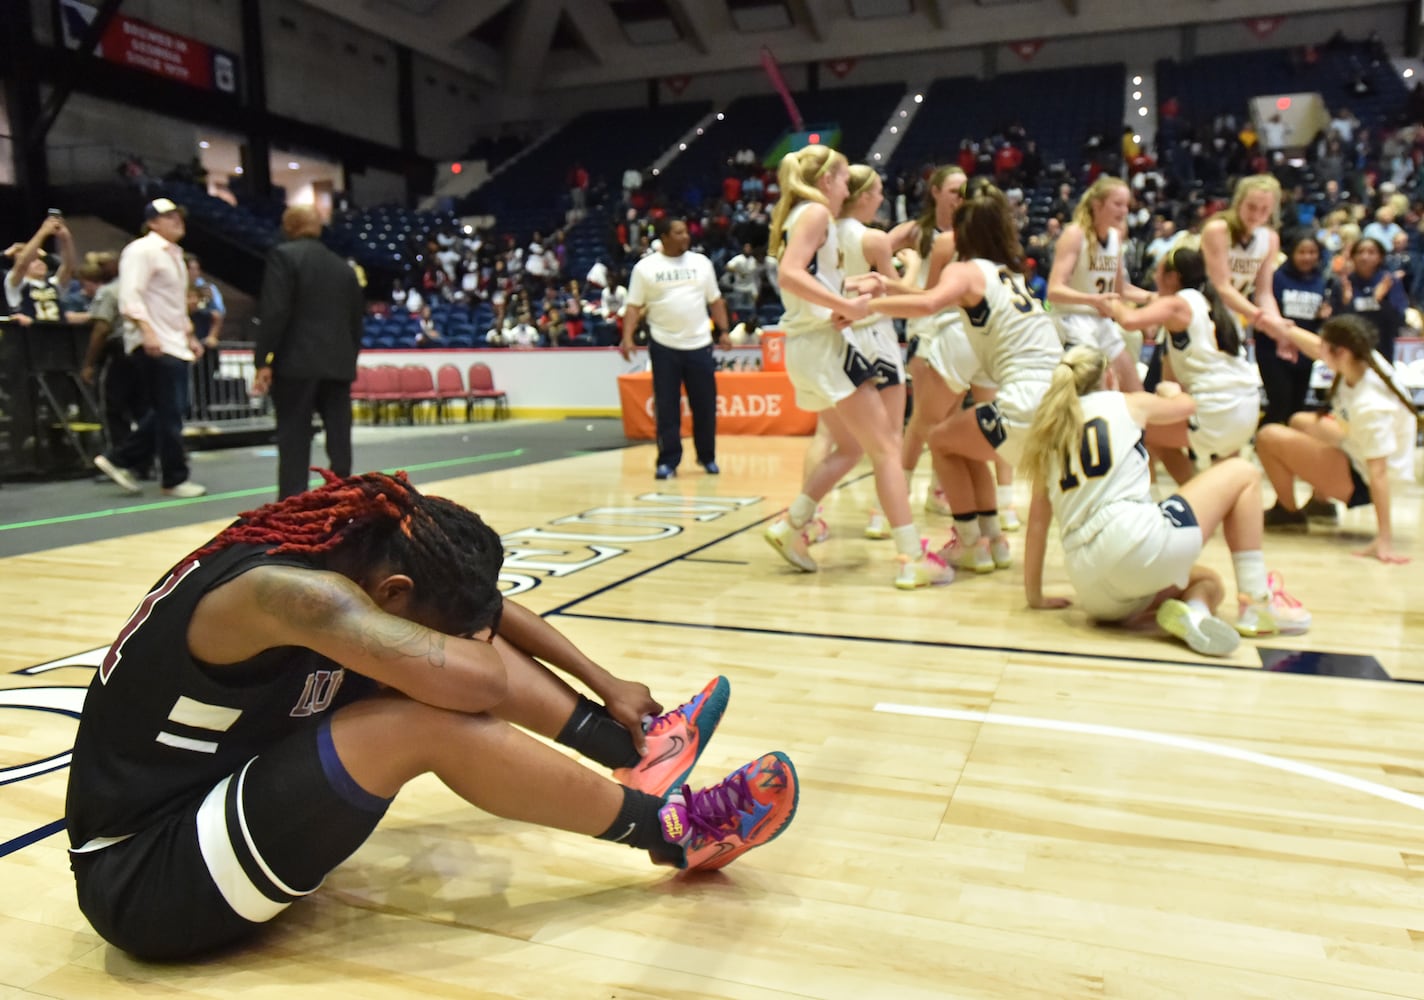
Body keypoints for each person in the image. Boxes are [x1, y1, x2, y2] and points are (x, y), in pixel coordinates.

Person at [65, 470, 800, 961]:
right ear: (390, 592)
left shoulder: (359, 545)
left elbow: (479, 605)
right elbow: (473, 678)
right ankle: (677, 832)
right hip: (147, 875)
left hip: (223, 796)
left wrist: (603, 681)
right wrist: (466, 641)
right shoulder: (297, 597)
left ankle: (628, 747)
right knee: (428, 712)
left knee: (438, 658)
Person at [1020, 346, 1311, 657]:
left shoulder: (1049, 434)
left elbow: (1037, 525)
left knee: (1208, 581)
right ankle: (1257, 601)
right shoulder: (1127, 402)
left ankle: (1195, 615)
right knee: (1243, 472)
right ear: (1108, 377)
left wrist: (1035, 595)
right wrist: (1170, 389)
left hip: (1092, 589)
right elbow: (1187, 406)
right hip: (1133, 541)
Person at [761, 144, 947, 589]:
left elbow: (807, 278)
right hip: (825, 344)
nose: (847, 186)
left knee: (848, 448)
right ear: (827, 180)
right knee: (885, 446)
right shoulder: (816, 213)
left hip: (806, 345)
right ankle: (909, 556)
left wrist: (854, 286)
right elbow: (790, 273)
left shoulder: (799, 216)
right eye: (844, 178)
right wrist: (843, 303)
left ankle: (791, 526)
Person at [868, 181, 1062, 574]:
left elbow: (927, 302)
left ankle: (971, 542)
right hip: (1053, 395)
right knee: (963, 442)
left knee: (939, 440)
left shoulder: (966, 270)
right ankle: (994, 540)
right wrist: (885, 287)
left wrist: (862, 306)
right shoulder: (1010, 274)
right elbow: (930, 295)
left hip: (1026, 398)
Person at [1255, 315, 1419, 563]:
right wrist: (1281, 328)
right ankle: (1321, 504)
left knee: (1268, 437)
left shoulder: (1372, 406)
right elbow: (1315, 346)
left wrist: (1384, 538)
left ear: (1340, 352)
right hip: (1358, 451)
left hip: (1365, 481)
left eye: (1325, 346)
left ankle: (1288, 512)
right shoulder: (1361, 358)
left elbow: (1379, 473)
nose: (1320, 350)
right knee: (1300, 422)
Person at [1110, 245, 1262, 484]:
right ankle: (1209, 504)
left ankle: (1174, 499)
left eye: (1158, 273)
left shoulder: (1180, 303)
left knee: (1139, 430)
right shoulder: (1211, 303)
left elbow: (1130, 320)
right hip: (1246, 407)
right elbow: (1171, 381)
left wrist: (1107, 302)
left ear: (1172, 277)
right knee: (1223, 477)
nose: (1155, 279)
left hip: (1218, 407)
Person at [93, 198, 206, 498]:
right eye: (168, 216)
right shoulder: (142, 250)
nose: (176, 221)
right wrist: (146, 331)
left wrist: (189, 335)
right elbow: (131, 296)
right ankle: (172, 477)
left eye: (178, 216)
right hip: (155, 341)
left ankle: (120, 458)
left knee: (170, 410)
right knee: (169, 411)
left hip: (173, 340)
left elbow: (174, 305)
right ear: (152, 222)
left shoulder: (174, 255)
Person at [251, 206, 365, 500]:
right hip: (338, 364)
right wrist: (348, 360)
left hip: (296, 364)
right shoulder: (344, 268)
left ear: (289, 226)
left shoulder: (283, 256)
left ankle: (292, 502)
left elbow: (275, 312)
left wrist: (263, 359)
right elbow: (356, 322)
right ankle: (343, 497)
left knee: (294, 438)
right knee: (339, 437)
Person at [620, 217, 730, 480]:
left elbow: (715, 300)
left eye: (686, 231)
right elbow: (634, 306)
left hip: (700, 343)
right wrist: (627, 337)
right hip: (664, 344)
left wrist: (724, 331)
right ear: (664, 237)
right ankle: (668, 461)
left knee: (704, 406)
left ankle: (707, 457)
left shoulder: (701, 264)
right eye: (679, 232)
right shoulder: (645, 268)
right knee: (667, 406)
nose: (686, 236)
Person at [836, 164, 911, 540]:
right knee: (890, 437)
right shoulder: (874, 240)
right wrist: (910, 268)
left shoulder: (821, 234)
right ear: (864, 196)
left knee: (832, 439)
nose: (882, 198)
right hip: (875, 338)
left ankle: (809, 518)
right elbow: (900, 299)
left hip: (839, 340)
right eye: (879, 191)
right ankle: (883, 516)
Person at [1047, 175, 1154, 393]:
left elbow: (1120, 290)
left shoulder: (1115, 238)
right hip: (1072, 320)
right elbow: (1054, 290)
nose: (1124, 211)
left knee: (1134, 388)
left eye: (1126, 205)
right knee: (1094, 391)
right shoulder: (1075, 234)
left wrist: (1153, 298)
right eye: (1117, 204)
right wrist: (1093, 300)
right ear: (1097, 205)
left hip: (1101, 321)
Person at [1265, 231, 1331, 427]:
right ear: (1292, 253)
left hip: (1305, 351)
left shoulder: (1321, 280)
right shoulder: (1277, 278)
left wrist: (1323, 317)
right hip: (1274, 350)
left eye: (1312, 252)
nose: (1307, 257)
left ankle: (1290, 451)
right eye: (1302, 252)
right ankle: (1266, 444)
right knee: (1279, 404)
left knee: (1297, 407)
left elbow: (1319, 321)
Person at [1333, 236, 1407, 364]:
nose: (1364, 257)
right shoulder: (1343, 284)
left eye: (1371, 252)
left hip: (1383, 349)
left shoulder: (1389, 282)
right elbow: (1334, 325)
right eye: (1360, 252)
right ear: (1352, 257)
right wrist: (1346, 303)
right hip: (1350, 350)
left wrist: (1381, 301)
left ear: (1380, 257)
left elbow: (1399, 319)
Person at [4, 213, 77, 322]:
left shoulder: (53, 284)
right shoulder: (15, 284)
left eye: (41, 260)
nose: (39, 263)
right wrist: (43, 232)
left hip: (57, 334)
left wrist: (65, 238)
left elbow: (69, 267)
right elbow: (22, 264)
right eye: (33, 261)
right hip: (30, 335)